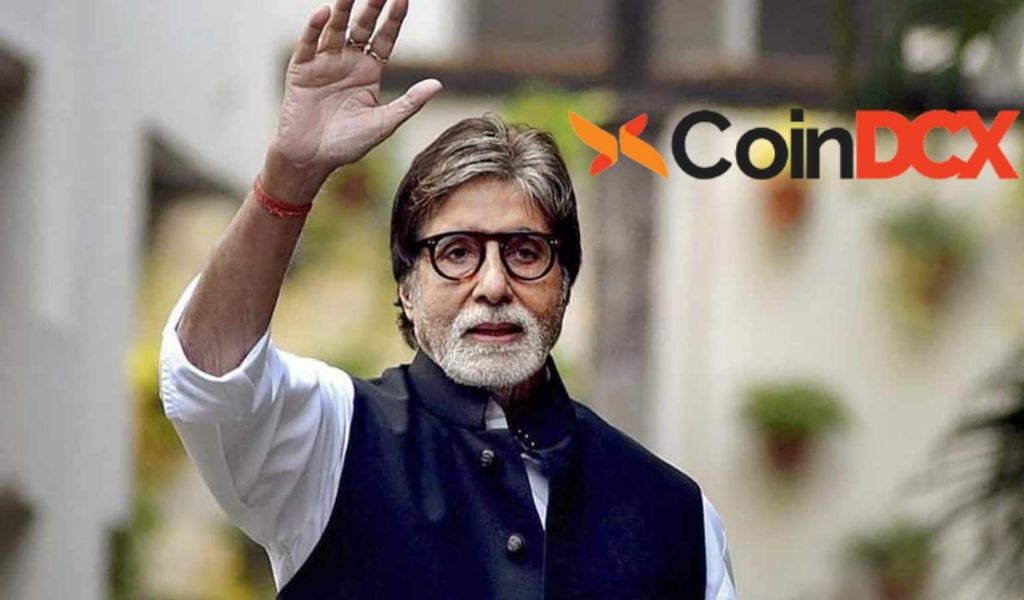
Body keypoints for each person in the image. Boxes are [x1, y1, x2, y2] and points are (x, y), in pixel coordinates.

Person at [158, 0, 737, 598]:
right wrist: (290, 176)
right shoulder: (333, 438)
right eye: (457, 253)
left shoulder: (677, 519)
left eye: (525, 252)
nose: (493, 285)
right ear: (407, 289)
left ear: (564, 282)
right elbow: (209, 376)